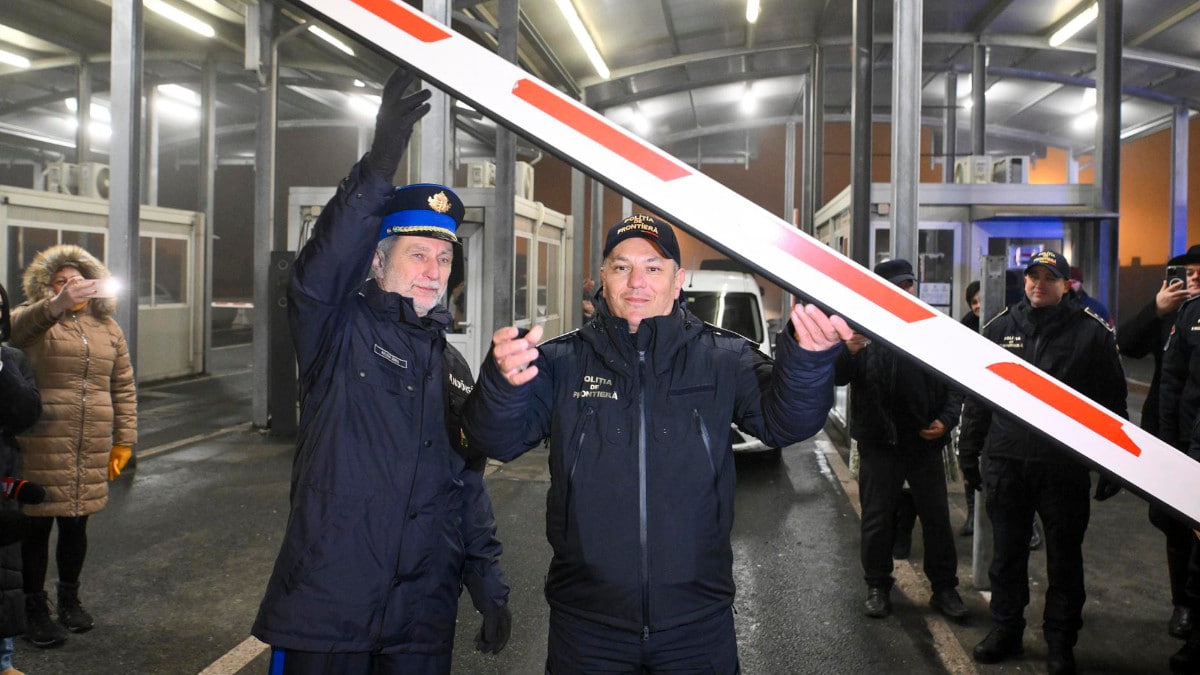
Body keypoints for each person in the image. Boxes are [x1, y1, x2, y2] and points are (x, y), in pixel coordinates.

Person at [462, 213, 853, 671]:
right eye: (622, 267)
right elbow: (496, 439)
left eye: (653, 267)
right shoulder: (559, 362)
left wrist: (807, 362)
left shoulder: (722, 358)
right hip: (588, 626)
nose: (636, 282)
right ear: (603, 278)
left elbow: (784, 423)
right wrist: (501, 387)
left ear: (677, 280)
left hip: (696, 624)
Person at [251, 67, 510, 674]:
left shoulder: (449, 364)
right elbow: (318, 272)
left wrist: (487, 577)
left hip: (421, 616)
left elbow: (465, 480)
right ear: (376, 260)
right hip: (328, 609)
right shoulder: (335, 328)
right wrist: (379, 163)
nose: (432, 269)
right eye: (416, 253)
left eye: (444, 258)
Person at [959, 250, 1126, 675]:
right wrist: (969, 451)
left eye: (1049, 278)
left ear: (1066, 284)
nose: (1038, 284)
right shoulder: (998, 328)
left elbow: (1112, 405)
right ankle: (1006, 631)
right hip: (1007, 462)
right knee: (1007, 557)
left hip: (1062, 468)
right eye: (1033, 276)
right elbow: (980, 398)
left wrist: (1115, 467)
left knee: (1065, 561)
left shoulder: (1091, 333)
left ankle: (1059, 642)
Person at [7, 243, 137, 648]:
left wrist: (125, 440)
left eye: (76, 280)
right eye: (59, 282)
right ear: (46, 289)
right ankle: (33, 610)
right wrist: (56, 306)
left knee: (77, 523)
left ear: (92, 283)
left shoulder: (108, 328)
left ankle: (69, 599)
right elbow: (14, 329)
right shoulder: (37, 323)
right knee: (35, 526)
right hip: (42, 441)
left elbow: (124, 386)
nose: (69, 287)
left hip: (90, 442)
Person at [836, 259, 967, 622]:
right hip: (878, 442)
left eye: (908, 284)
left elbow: (955, 383)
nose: (904, 291)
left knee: (937, 518)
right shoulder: (859, 328)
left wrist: (946, 419)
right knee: (877, 520)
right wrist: (847, 351)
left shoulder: (932, 328)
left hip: (924, 442)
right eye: (897, 285)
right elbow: (836, 378)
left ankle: (944, 588)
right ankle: (877, 585)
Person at [1118, 244, 1200, 649]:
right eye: (1186, 274)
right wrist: (1156, 307)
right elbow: (1127, 343)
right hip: (1168, 432)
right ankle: (1183, 603)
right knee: (1174, 522)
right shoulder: (1169, 313)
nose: (1191, 281)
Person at [1154, 245, 1200, 674]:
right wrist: (1171, 448)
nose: (1194, 278)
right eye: (1189, 272)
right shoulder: (1186, 316)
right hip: (1189, 449)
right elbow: (1171, 383)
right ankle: (1189, 615)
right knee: (1184, 538)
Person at [0, 281, 42, 675]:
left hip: (2, 483)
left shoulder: (11, 359)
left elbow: (26, 413)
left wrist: (2, 367)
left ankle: (3, 660)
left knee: (3, 575)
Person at [959, 279, 982, 536]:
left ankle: (1029, 525)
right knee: (969, 458)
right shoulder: (966, 325)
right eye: (973, 302)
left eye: (980, 300)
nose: (977, 306)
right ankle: (973, 514)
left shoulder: (1010, 322)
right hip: (972, 401)